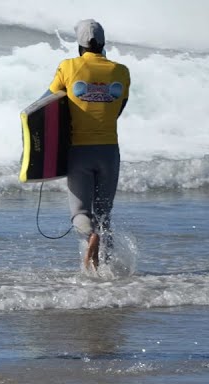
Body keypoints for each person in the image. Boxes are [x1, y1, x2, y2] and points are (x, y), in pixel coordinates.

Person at [49, 19, 131, 270]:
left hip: (79, 152)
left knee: (81, 215)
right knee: (104, 215)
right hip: (109, 151)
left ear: (80, 46)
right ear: (103, 44)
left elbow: (49, 104)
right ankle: (106, 272)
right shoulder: (121, 71)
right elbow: (119, 109)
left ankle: (90, 237)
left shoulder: (68, 67)